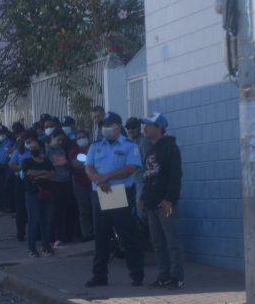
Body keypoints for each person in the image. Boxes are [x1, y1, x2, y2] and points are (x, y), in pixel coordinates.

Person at [84, 112, 145, 288]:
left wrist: (105, 177)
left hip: (119, 192)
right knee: (101, 236)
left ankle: (137, 274)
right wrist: (97, 179)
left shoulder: (128, 146)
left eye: (109, 125)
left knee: (127, 235)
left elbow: (131, 167)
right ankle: (99, 275)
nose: (105, 128)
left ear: (118, 126)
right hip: (100, 193)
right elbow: (88, 166)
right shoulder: (96, 146)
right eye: (103, 125)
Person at [140, 113, 185, 289]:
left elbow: (175, 176)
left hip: (164, 203)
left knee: (172, 241)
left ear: (159, 127)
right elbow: (148, 176)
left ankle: (177, 277)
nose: (145, 128)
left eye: (149, 125)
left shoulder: (170, 147)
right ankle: (163, 275)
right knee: (157, 243)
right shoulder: (150, 148)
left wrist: (169, 199)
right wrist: (143, 197)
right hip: (151, 203)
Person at [22, 138, 54, 257]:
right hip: (32, 193)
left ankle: (46, 246)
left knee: (45, 220)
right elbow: (29, 173)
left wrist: (38, 174)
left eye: (35, 148)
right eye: (31, 148)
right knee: (33, 220)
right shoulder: (27, 161)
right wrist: (43, 173)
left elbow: (52, 174)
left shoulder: (46, 161)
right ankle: (32, 248)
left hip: (46, 193)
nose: (33, 150)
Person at [46, 128, 78, 245]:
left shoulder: (61, 150)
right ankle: (53, 237)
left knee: (63, 210)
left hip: (65, 181)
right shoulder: (47, 150)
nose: (60, 143)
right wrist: (59, 163)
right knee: (55, 211)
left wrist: (67, 164)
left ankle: (62, 235)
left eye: (62, 141)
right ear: (52, 138)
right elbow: (47, 165)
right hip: (54, 181)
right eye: (58, 140)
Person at [68, 129, 95, 242]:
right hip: (79, 183)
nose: (81, 139)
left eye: (83, 136)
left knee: (95, 208)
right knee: (84, 210)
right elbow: (75, 165)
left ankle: (97, 230)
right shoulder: (74, 151)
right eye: (78, 138)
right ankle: (87, 233)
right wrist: (90, 166)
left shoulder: (94, 148)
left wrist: (85, 165)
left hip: (94, 182)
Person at [8, 129, 33, 241]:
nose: (29, 142)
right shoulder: (18, 152)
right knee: (21, 207)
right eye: (27, 140)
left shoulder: (37, 150)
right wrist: (21, 168)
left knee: (32, 208)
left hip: (34, 180)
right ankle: (21, 232)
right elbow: (12, 165)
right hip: (21, 180)